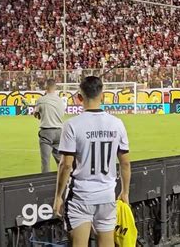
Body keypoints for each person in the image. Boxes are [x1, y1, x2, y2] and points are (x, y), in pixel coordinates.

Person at [53, 76, 131, 246]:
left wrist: (58, 196)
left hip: (81, 197)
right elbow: (125, 163)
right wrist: (124, 192)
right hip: (107, 195)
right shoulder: (117, 123)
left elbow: (66, 165)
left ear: (80, 97)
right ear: (102, 95)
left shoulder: (72, 124)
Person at [34, 79, 65, 173]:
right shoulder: (60, 101)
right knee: (60, 161)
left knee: (45, 161)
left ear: (45, 87)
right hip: (59, 131)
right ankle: (65, 181)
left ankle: (45, 183)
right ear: (55, 87)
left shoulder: (41, 100)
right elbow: (61, 114)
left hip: (46, 131)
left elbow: (36, 114)